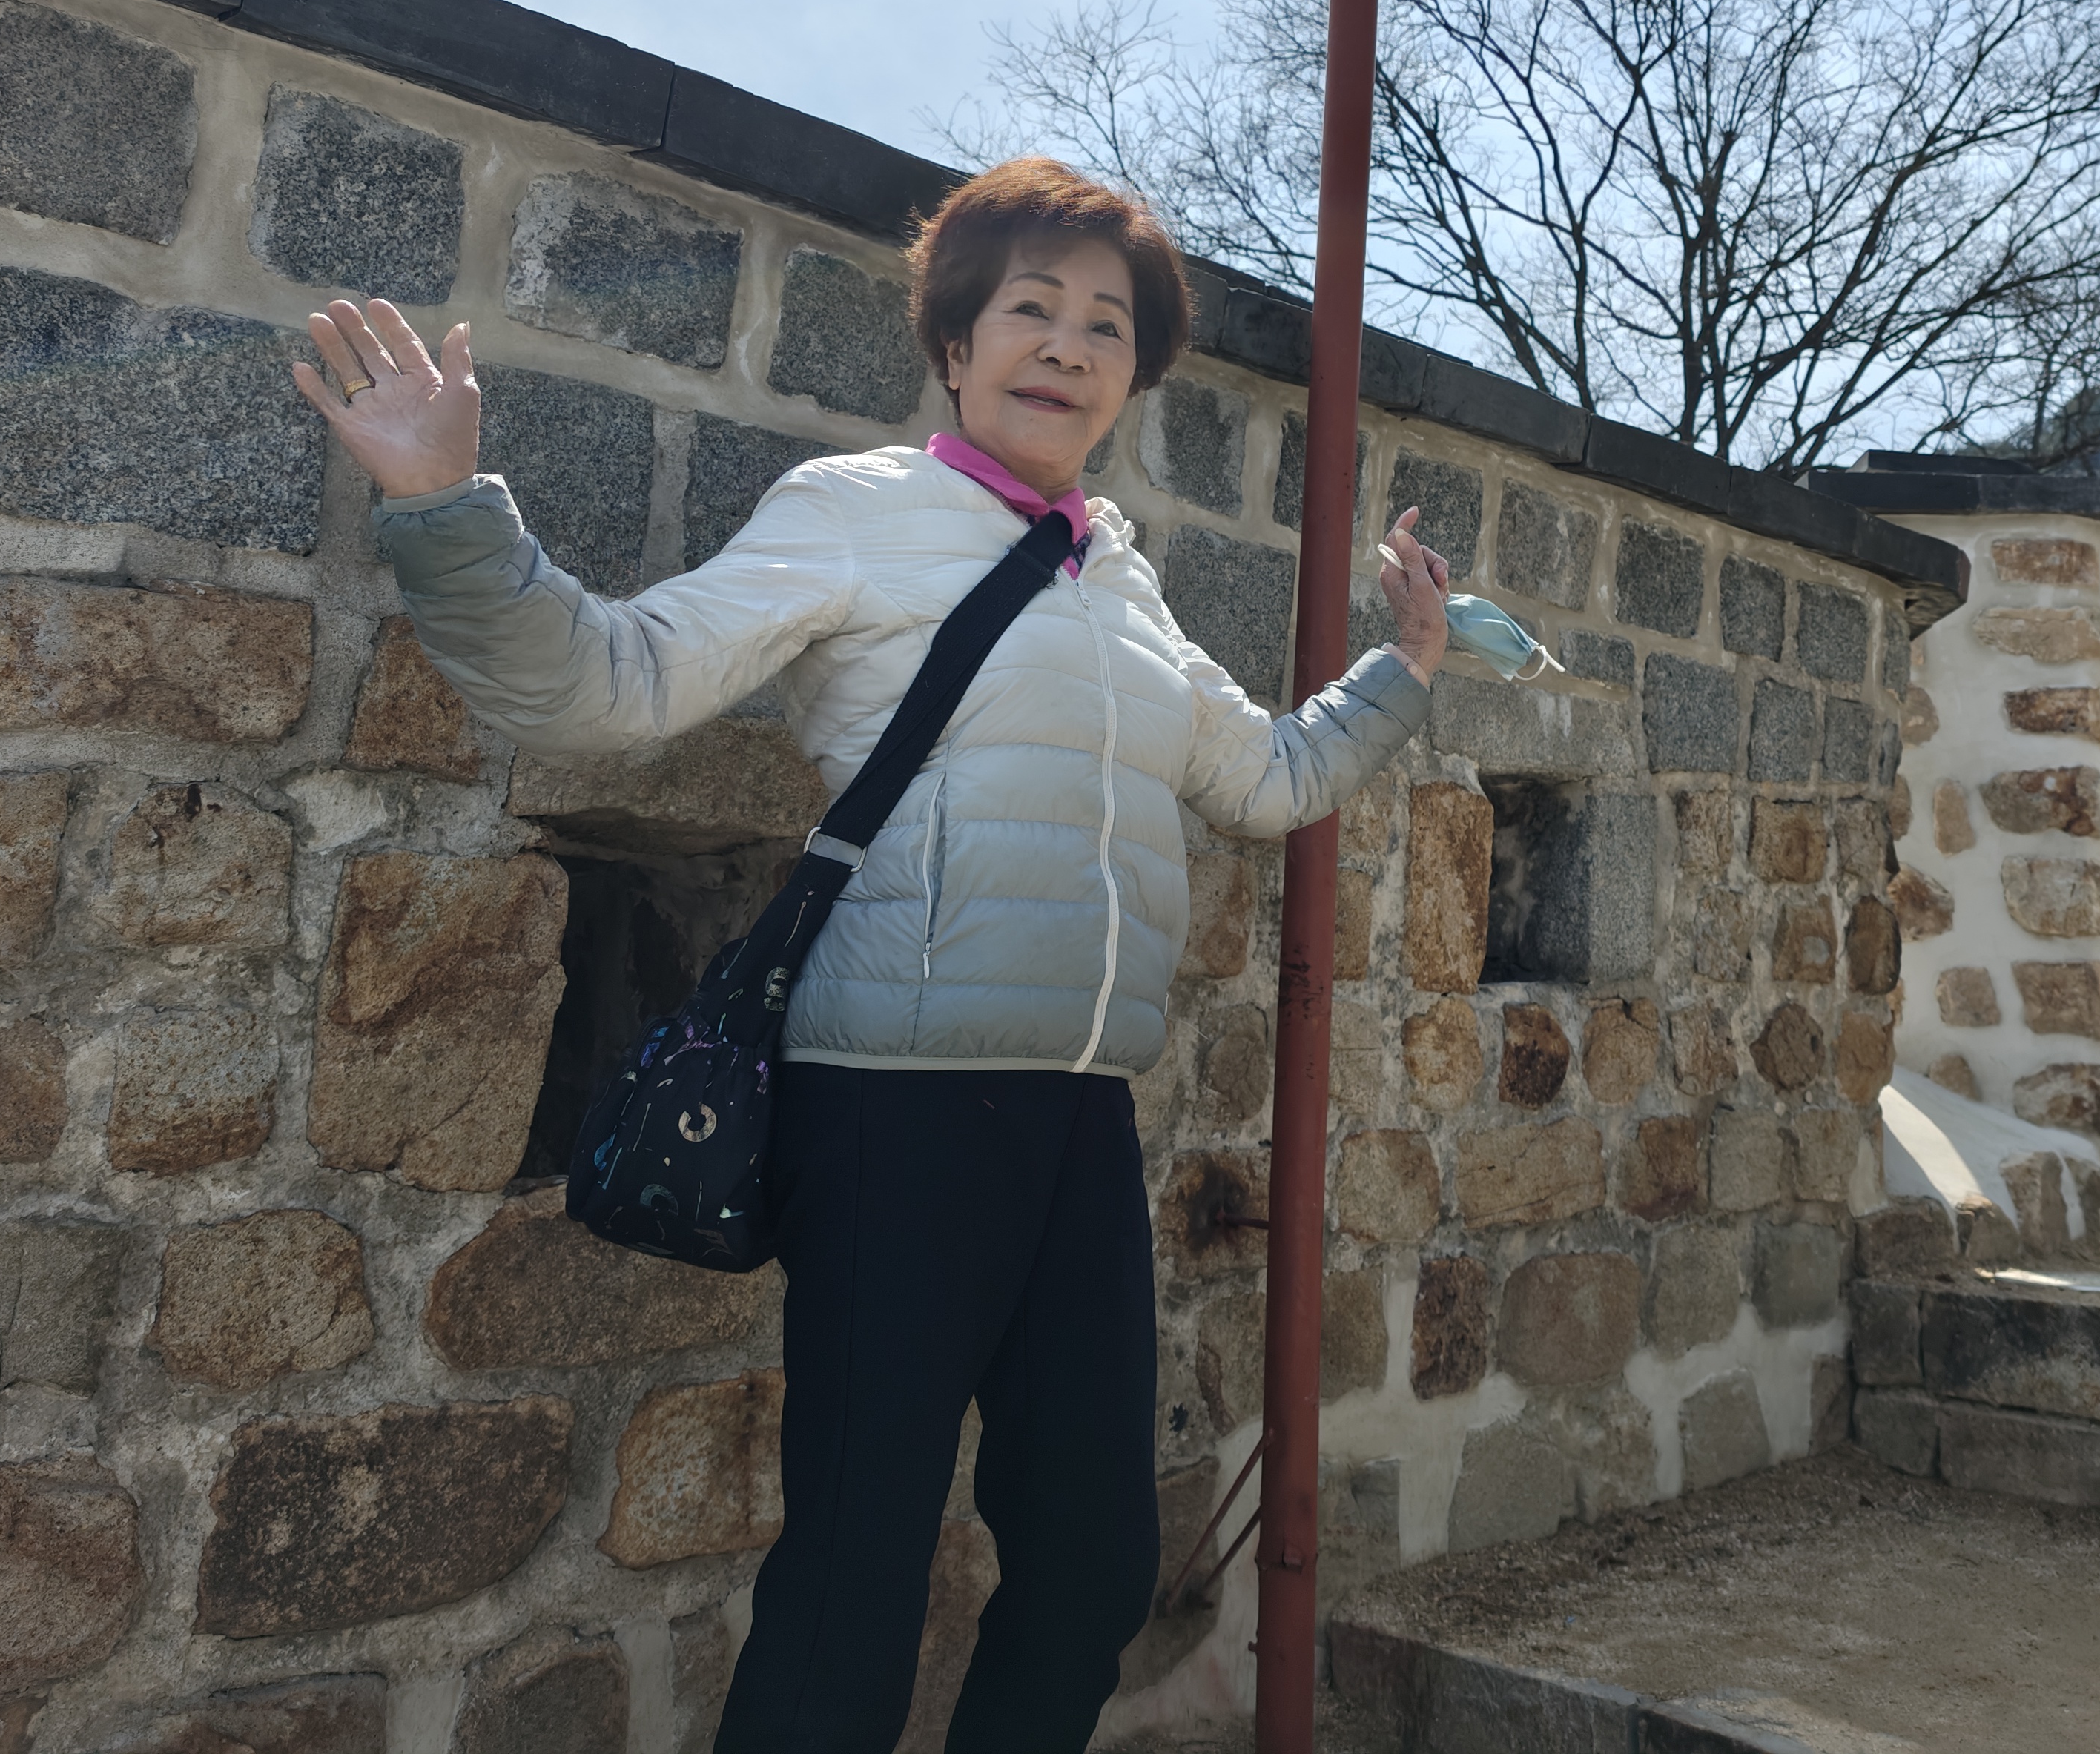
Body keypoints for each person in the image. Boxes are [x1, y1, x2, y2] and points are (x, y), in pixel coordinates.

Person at [290, 158, 1451, 1753]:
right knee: (855, 1582)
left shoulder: (1120, 579)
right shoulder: (854, 512)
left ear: (1131, 378)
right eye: (1030, 309)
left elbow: (1265, 779)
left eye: (1105, 326)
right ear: (957, 344)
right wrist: (445, 504)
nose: (1066, 345)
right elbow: (609, 686)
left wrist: (1404, 665)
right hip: (890, 1110)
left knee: (1094, 1568)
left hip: (1078, 1122)